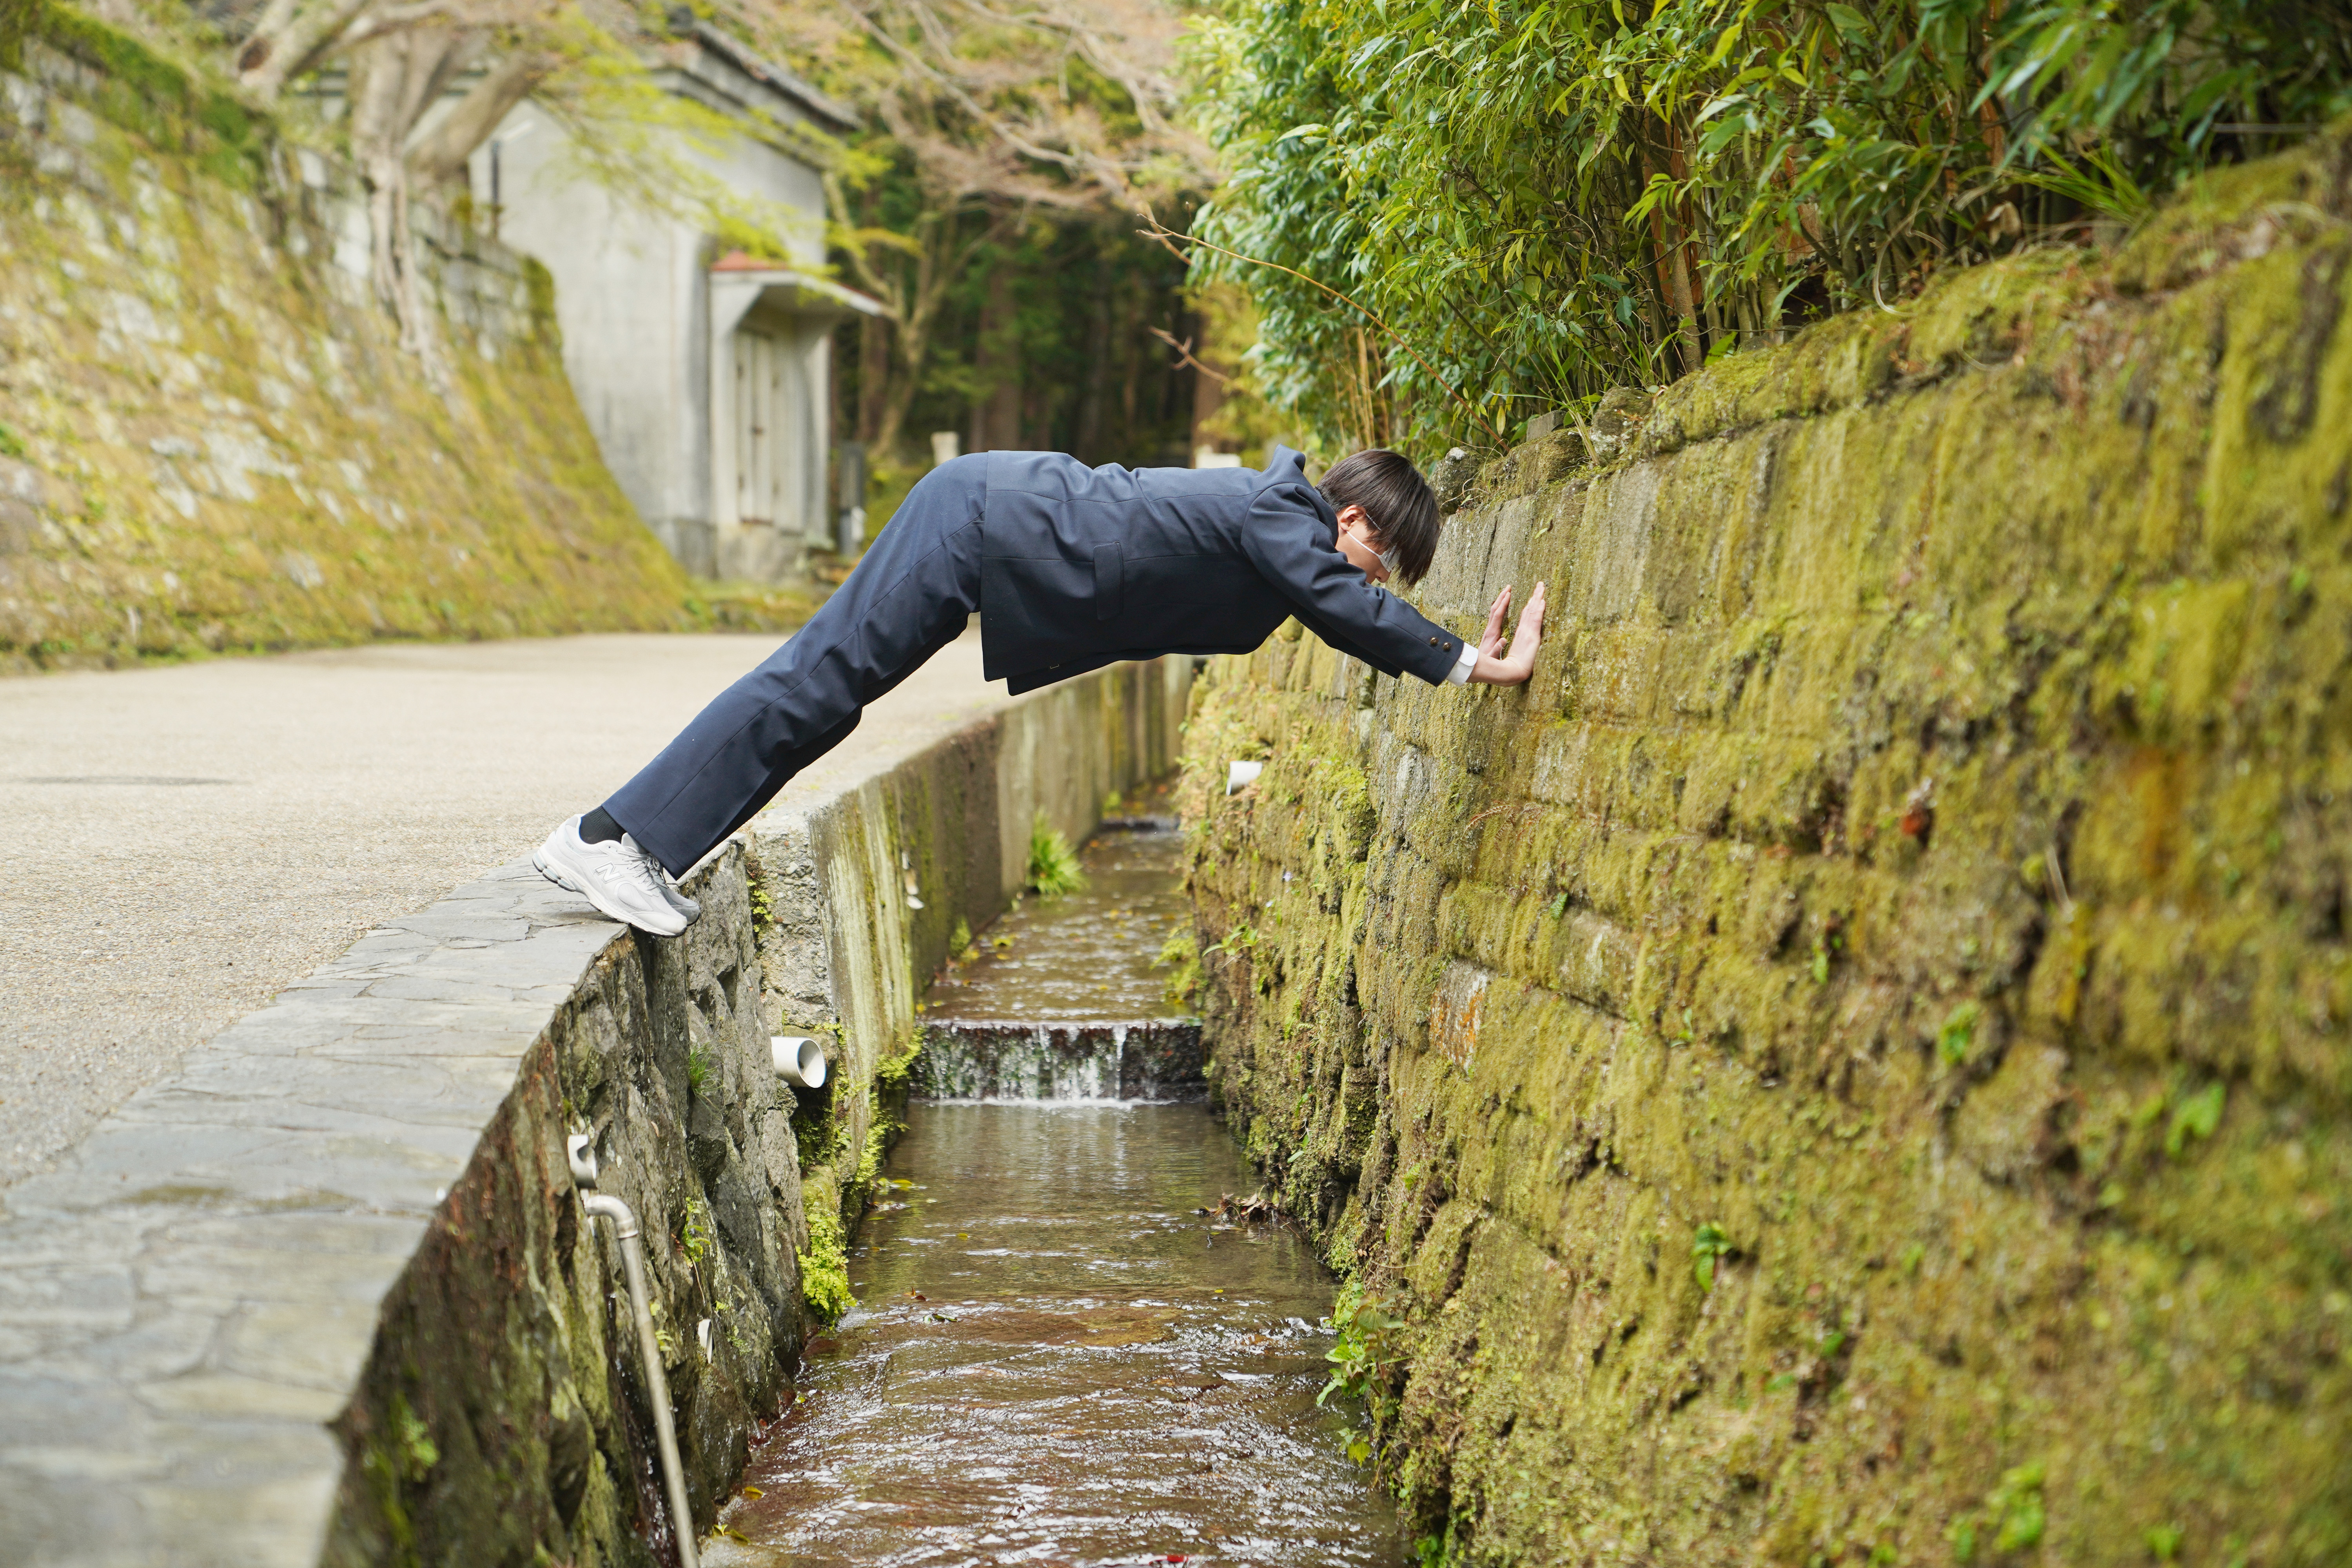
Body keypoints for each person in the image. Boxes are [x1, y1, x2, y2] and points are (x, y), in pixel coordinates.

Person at [533, 445, 1548, 934]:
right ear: (1358, 521)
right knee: (818, 680)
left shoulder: (1277, 525)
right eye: (1386, 559)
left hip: (984, 533)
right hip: (979, 522)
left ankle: (646, 846)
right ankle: (608, 839)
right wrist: (1470, 661)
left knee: (829, 701)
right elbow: (1340, 605)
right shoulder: (1277, 508)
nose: (1376, 579)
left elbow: (1330, 600)